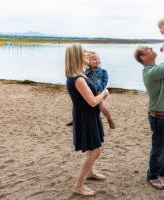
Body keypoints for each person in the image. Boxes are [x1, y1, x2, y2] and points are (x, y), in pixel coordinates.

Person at [134, 31, 164, 189]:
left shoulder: (158, 68)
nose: (150, 48)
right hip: (160, 117)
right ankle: (153, 176)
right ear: (143, 57)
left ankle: (162, 169)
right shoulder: (149, 72)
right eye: (147, 49)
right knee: (159, 148)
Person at [65, 43, 109, 196]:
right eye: (84, 53)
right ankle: (78, 185)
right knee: (96, 151)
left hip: (88, 115)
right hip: (85, 117)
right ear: (77, 56)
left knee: (92, 148)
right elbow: (92, 101)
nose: (87, 55)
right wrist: (104, 93)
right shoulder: (78, 79)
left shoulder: (82, 74)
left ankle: (90, 173)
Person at [85, 52, 115, 129]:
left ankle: (110, 119)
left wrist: (101, 89)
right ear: (89, 62)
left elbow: (105, 81)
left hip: (99, 93)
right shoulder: (87, 72)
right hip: (89, 93)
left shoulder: (103, 71)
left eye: (98, 59)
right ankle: (75, 119)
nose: (97, 60)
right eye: (94, 59)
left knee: (101, 106)